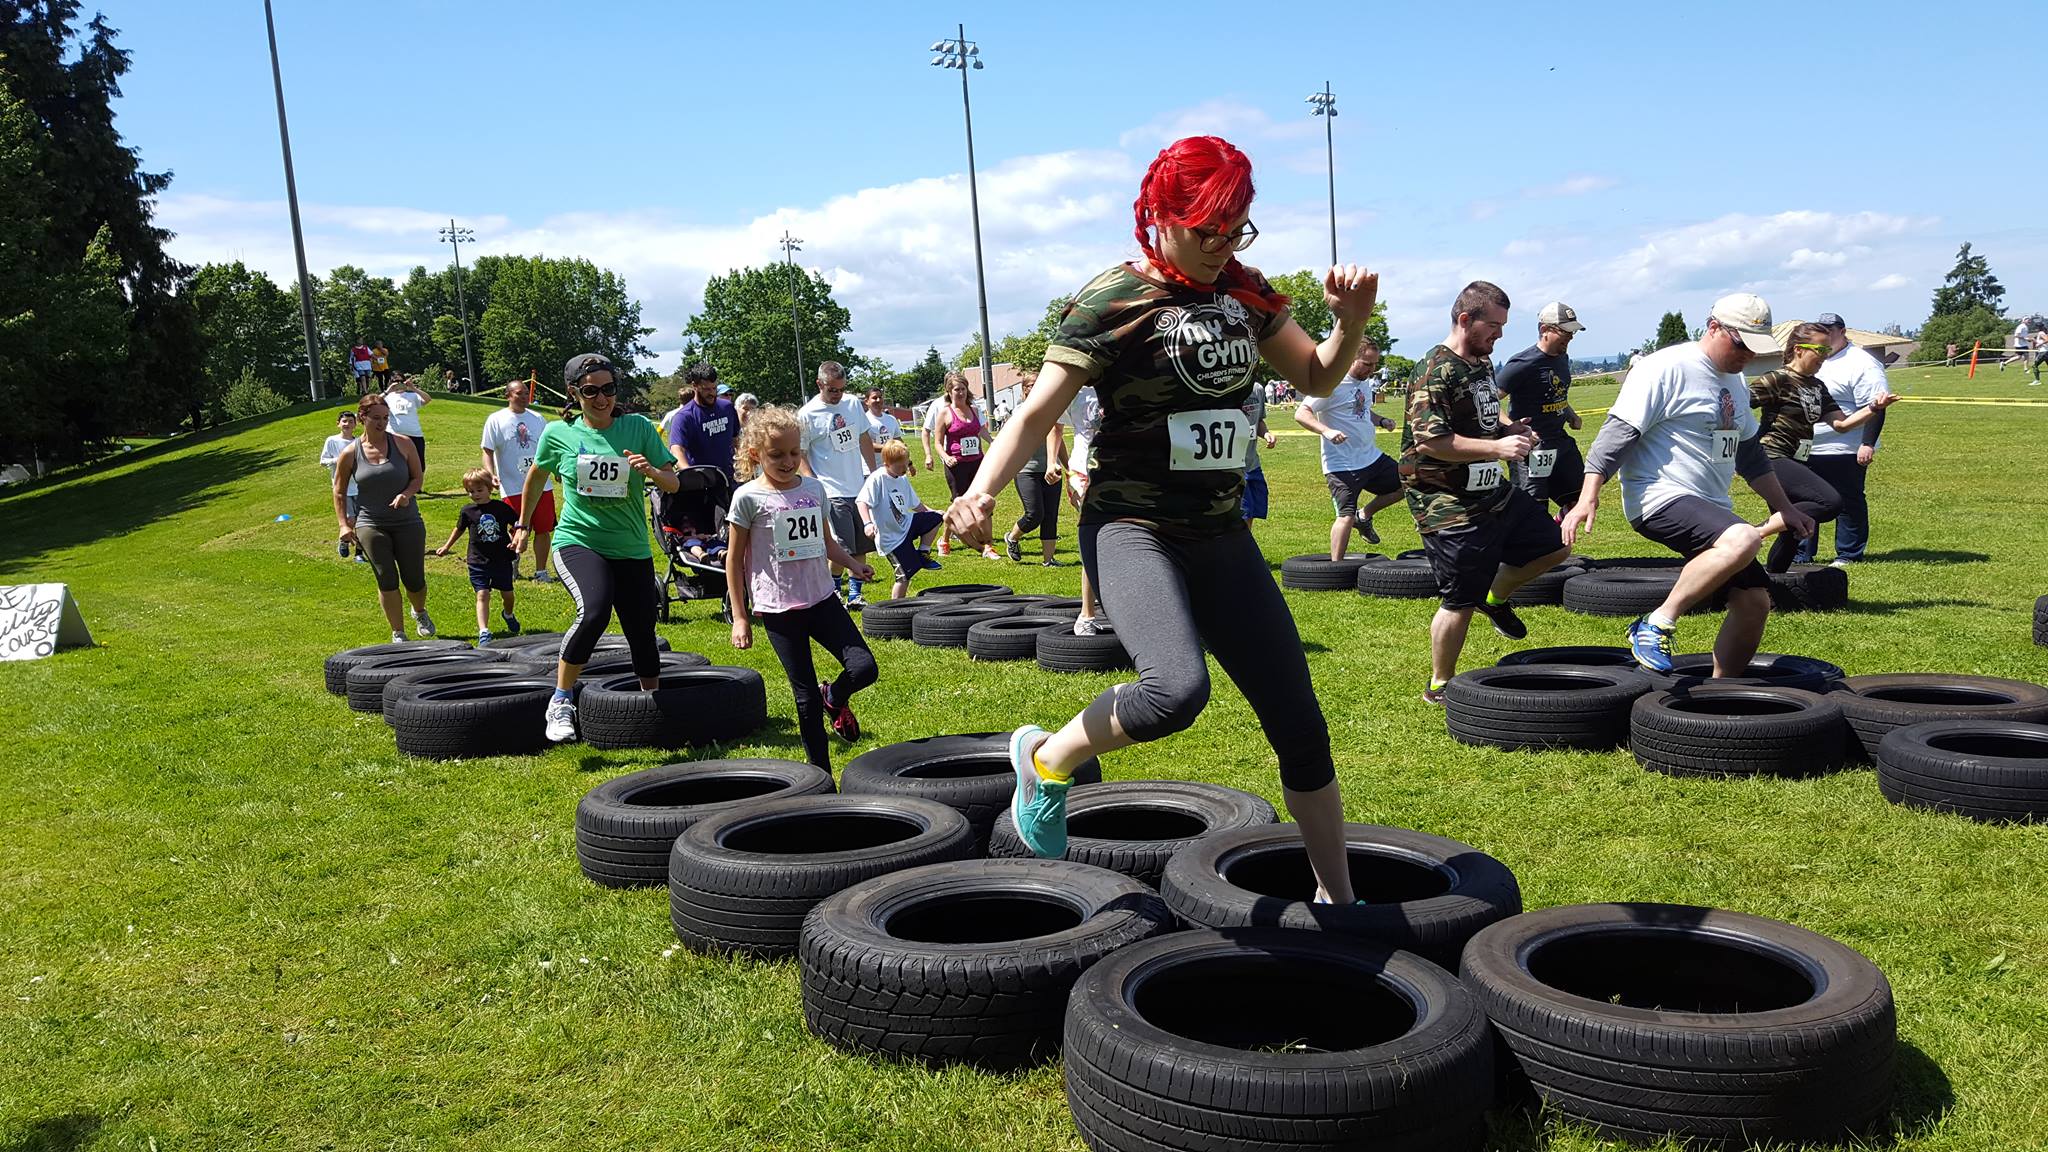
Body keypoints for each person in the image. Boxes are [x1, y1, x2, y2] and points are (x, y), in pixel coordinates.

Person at [944, 134, 1376, 905]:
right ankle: (1046, 761)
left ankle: (1340, 901)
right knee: (1174, 692)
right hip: (1132, 526)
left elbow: (1313, 373)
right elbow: (1034, 409)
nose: (1221, 245)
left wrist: (1349, 321)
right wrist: (981, 490)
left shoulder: (1245, 292)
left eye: (1236, 227)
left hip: (1221, 532)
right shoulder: (1113, 300)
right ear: (1159, 215)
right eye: (1205, 229)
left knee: (1301, 724)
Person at [1561, 293, 1815, 674]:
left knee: (1754, 603)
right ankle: (1655, 623)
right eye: (1740, 343)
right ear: (1713, 327)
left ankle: (1719, 694)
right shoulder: (1665, 368)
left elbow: (1750, 456)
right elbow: (1616, 436)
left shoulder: (1737, 383)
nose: (1747, 354)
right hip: (1659, 496)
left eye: (1754, 347)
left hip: (1710, 504)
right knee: (1743, 538)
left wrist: (1785, 508)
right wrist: (1587, 497)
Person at [1402, 283, 1571, 703]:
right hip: (1442, 498)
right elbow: (1431, 442)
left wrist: (1507, 428)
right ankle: (1439, 684)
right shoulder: (1434, 369)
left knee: (1554, 545)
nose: (1499, 335)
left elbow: (1480, 418)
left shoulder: (1480, 362)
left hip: (1487, 487)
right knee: (1459, 597)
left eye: (1502, 326)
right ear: (1465, 320)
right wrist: (1498, 448)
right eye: (1493, 325)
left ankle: (1495, 598)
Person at [512, 353, 681, 743]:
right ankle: (560, 699)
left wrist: (652, 472)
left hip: (631, 546)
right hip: (579, 540)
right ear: (574, 393)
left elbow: (672, 483)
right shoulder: (559, 434)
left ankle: (650, 706)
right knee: (594, 611)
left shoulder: (637, 428)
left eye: (608, 389)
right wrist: (523, 525)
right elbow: (537, 477)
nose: (601, 398)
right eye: (591, 391)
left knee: (642, 630)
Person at [728, 405, 879, 770]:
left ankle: (835, 696)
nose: (787, 461)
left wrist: (854, 564)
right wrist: (740, 616)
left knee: (864, 668)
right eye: (776, 455)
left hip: (822, 598)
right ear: (755, 455)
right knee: (805, 698)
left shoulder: (813, 489)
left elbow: (825, 541)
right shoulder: (748, 498)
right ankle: (822, 776)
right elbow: (733, 560)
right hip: (779, 608)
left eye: (795, 453)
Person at [1746, 322, 1897, 572]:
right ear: (1798, 350)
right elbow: (1740, 407)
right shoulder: (1777, 379)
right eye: (1820, 350)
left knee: (1793, 532)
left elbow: (1841, 424)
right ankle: (1754, 533)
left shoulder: (1817, 386)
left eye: (1828, 351)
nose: (1825, 357)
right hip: (1771, 456)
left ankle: (1771, 586)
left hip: (1798, 458)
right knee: (1830, 502)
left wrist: (1873, 408)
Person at [332, 393, 434, 642]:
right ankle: (398, 632)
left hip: (407, 520)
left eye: (386, 417)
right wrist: (344, 524)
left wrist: (406, 494)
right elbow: (339, 490)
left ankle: (419, 611)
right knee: (386, 577)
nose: (382, 423)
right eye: (376, 418)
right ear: (362, 418)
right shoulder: (350, 453)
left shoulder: (403, 444)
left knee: (414, 579)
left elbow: (417, 478)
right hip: (371, 522)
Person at [1793, 313, 1890, 568]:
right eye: (1820, 330)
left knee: (1847, 500)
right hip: (1805, 445)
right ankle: (1801, 552)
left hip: (1844, 446)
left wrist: (1867, 444)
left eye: (1830, 330)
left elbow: (1877, 405)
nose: (1825, 335)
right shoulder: (1814, 358)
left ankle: (1847, 554)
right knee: (1803, 499)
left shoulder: (1862, 363)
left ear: (1843, 331)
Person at [1296, 342, 1401, 554]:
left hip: (1371, 458)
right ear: (1352, 359)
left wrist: (1381, 421)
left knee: (1407, 482)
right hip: (1341, 464)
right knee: (1344, 516)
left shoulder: (1364, 382)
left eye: (1374, 365)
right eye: (1366, 364)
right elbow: (1301, 413)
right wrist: (1326, 431)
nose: (1371, 369)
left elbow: (1362, 410)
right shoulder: (1331, 384)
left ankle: (1363, 517)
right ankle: (1336, 571)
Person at [794, 362, 880, 607]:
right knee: (842, 545)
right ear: (819, 384)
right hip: (831, 490)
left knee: (861, 541)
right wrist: (813, 482)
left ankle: (855, 594)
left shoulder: (852, 404)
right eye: (832, 390)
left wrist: (873, 473)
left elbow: (863, 437)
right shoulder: (807, 414)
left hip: (858, 486)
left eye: (841, 389)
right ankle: (833, 591)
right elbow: (801, 452)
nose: (837, 394)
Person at [1496, 302, 1588, 515]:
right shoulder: (1523, 363)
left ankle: (1553, 534)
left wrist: (1570, 414)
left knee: (1583, 500)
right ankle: (1540, 542)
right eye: (1565, 331)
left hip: (1560, 444)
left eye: (1573, 332)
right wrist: (1512, 427)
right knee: (1533, 512)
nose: (1570, 337)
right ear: (1544, 330)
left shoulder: (1562, 358)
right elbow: (1489, 400)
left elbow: (1555, 393)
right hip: (1532, 450)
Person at [433, 468, 522, 646]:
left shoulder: (501, 508)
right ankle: (484, 631)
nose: (475, 495)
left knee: (508, 595)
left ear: (490, 488)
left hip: (501, 559)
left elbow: (519, 524)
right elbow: (458, 529)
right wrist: (446, 546)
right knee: (482, 594)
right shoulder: (468, 511)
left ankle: (508, 614)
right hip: (477, 560)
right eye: (470, 492)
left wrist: (517, 538)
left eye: (479, 490)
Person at [481, 379, 556, 582]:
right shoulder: (496, 419)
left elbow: (548, 448)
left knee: (543, 528)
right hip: (512, 485)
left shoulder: (538, 418)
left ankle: (541, 572)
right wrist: (491, 473)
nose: (524, 397)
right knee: (516, 528)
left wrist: (556, 469)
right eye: (519, 394)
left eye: (526, 393)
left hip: (542, 484)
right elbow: (487, 450)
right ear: (508, 396)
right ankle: (513, 565)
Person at [924, 372, 1000, 559]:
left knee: (983, 499)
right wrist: (945, 457)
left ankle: (988, 544)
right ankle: (945, 539)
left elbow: (981, 430)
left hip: (977, 461)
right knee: (959, 503)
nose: (961, 393)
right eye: (957, 389)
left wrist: (993, 442)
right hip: (956, 465)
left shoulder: (973, 410)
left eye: (963, 389)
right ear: (949, 391)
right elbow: (938, 442)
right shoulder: (945, 412)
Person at [860, 440, 946, 600]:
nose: (904, 470)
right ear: (887, 463)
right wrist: (867, 523)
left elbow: (916, 505)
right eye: (899, 467)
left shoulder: (902, 478)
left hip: (907, 525)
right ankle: (896, 608)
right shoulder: (877, 478)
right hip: (891, 538)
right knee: (904, 576)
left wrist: (934, 513)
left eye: (905, 465)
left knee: (936, 518)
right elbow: (862, 501)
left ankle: (923, 553)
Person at [1001, 371, 1069, 564]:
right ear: (1024, 389)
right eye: (1031, 385)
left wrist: (1068, 467)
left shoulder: (1053, 410)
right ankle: (1012, 537)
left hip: (1050, 470)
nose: (1036, 388)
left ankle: (1048, 560)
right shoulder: (1020, 411)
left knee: (1050, 516)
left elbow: (1058, 441)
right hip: (1026, 470)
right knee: (1035, 514)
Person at [1061, 379, 1108, 633]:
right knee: (1095, 539)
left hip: (1123, 469)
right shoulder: (1073, 390)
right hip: (1083, 472)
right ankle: (1087, 615)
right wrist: (1051, 463)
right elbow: (1050, 426)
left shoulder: (1125, 378)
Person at [668, 361, 740, 484]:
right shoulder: (684, 417)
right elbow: (676, 450)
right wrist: (690, 475)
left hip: (730, 479)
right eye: (706, 389)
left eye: (714, 388)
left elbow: (736, 440)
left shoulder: (727, 407)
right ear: (694, 386)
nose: (712, 393)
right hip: (702, 485)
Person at [320, 409, 364, 561]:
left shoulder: (358, 442)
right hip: (342, 488)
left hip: (359, 486)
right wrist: (338, 460)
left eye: (351, 421)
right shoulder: (332, 441)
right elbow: (323, 460)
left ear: (355, 424)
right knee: (350, 520)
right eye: (344, 421)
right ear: (338, 424)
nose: (347, 424)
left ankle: (359, 553)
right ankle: (344, 541)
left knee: (362, 522)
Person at [1238, 373, 1277, 528]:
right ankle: (1241, 549)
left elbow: (1259, 420)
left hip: (1253, 464)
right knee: (1244, 512)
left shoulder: (1257, 389)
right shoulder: (1227, 390)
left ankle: (1242, 548)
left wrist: (1266, 433)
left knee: (1253, 511)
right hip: (1235, 466)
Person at [384, 374, 430, 474]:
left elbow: (427, 399)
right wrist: (388, 391)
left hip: (415, 433)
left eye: (401, 381)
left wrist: (413, 388)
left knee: (418, 461)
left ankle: (417, 485)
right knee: (396, 461)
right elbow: (373, 402)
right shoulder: (388, 397)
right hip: (395, 435)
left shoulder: (412, 395)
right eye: (396, 381)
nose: (399, 384)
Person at [862, 387, 910, 474]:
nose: (878, 400)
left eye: (880, 397)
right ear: (866, 401)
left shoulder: (891, 419)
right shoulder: (863, 420)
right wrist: (891, 448)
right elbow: (866, 445)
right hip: (871, 471)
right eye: (874, 398)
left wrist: (909, 463)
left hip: (892, 469)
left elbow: (898, 440)